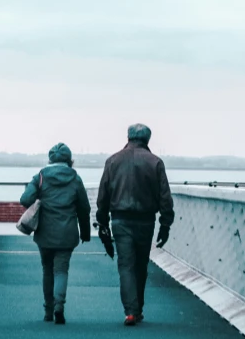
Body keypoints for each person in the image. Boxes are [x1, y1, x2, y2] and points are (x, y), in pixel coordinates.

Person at [96, 123, 174, 327]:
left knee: (126, 265)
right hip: (146, 220)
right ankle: (137, 309)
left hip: (120, 220)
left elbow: (103, 195)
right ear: (147, 139)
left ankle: (130, 311)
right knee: (141, 265)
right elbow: (165, 197)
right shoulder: (155, 162)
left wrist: (102, 222)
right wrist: (165, 224)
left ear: (128, 137)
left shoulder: (112, 161)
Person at [20, 143, 91, 325]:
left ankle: (48, 311)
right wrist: (85, 233)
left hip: (45, 232)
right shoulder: (75, 178)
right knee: (61, 270)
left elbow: (25, 199)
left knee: (47, 270)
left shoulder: (41, 176)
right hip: (67, 233)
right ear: (69, 160)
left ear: (50, 159)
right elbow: (84, 208)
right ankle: (60, 307)